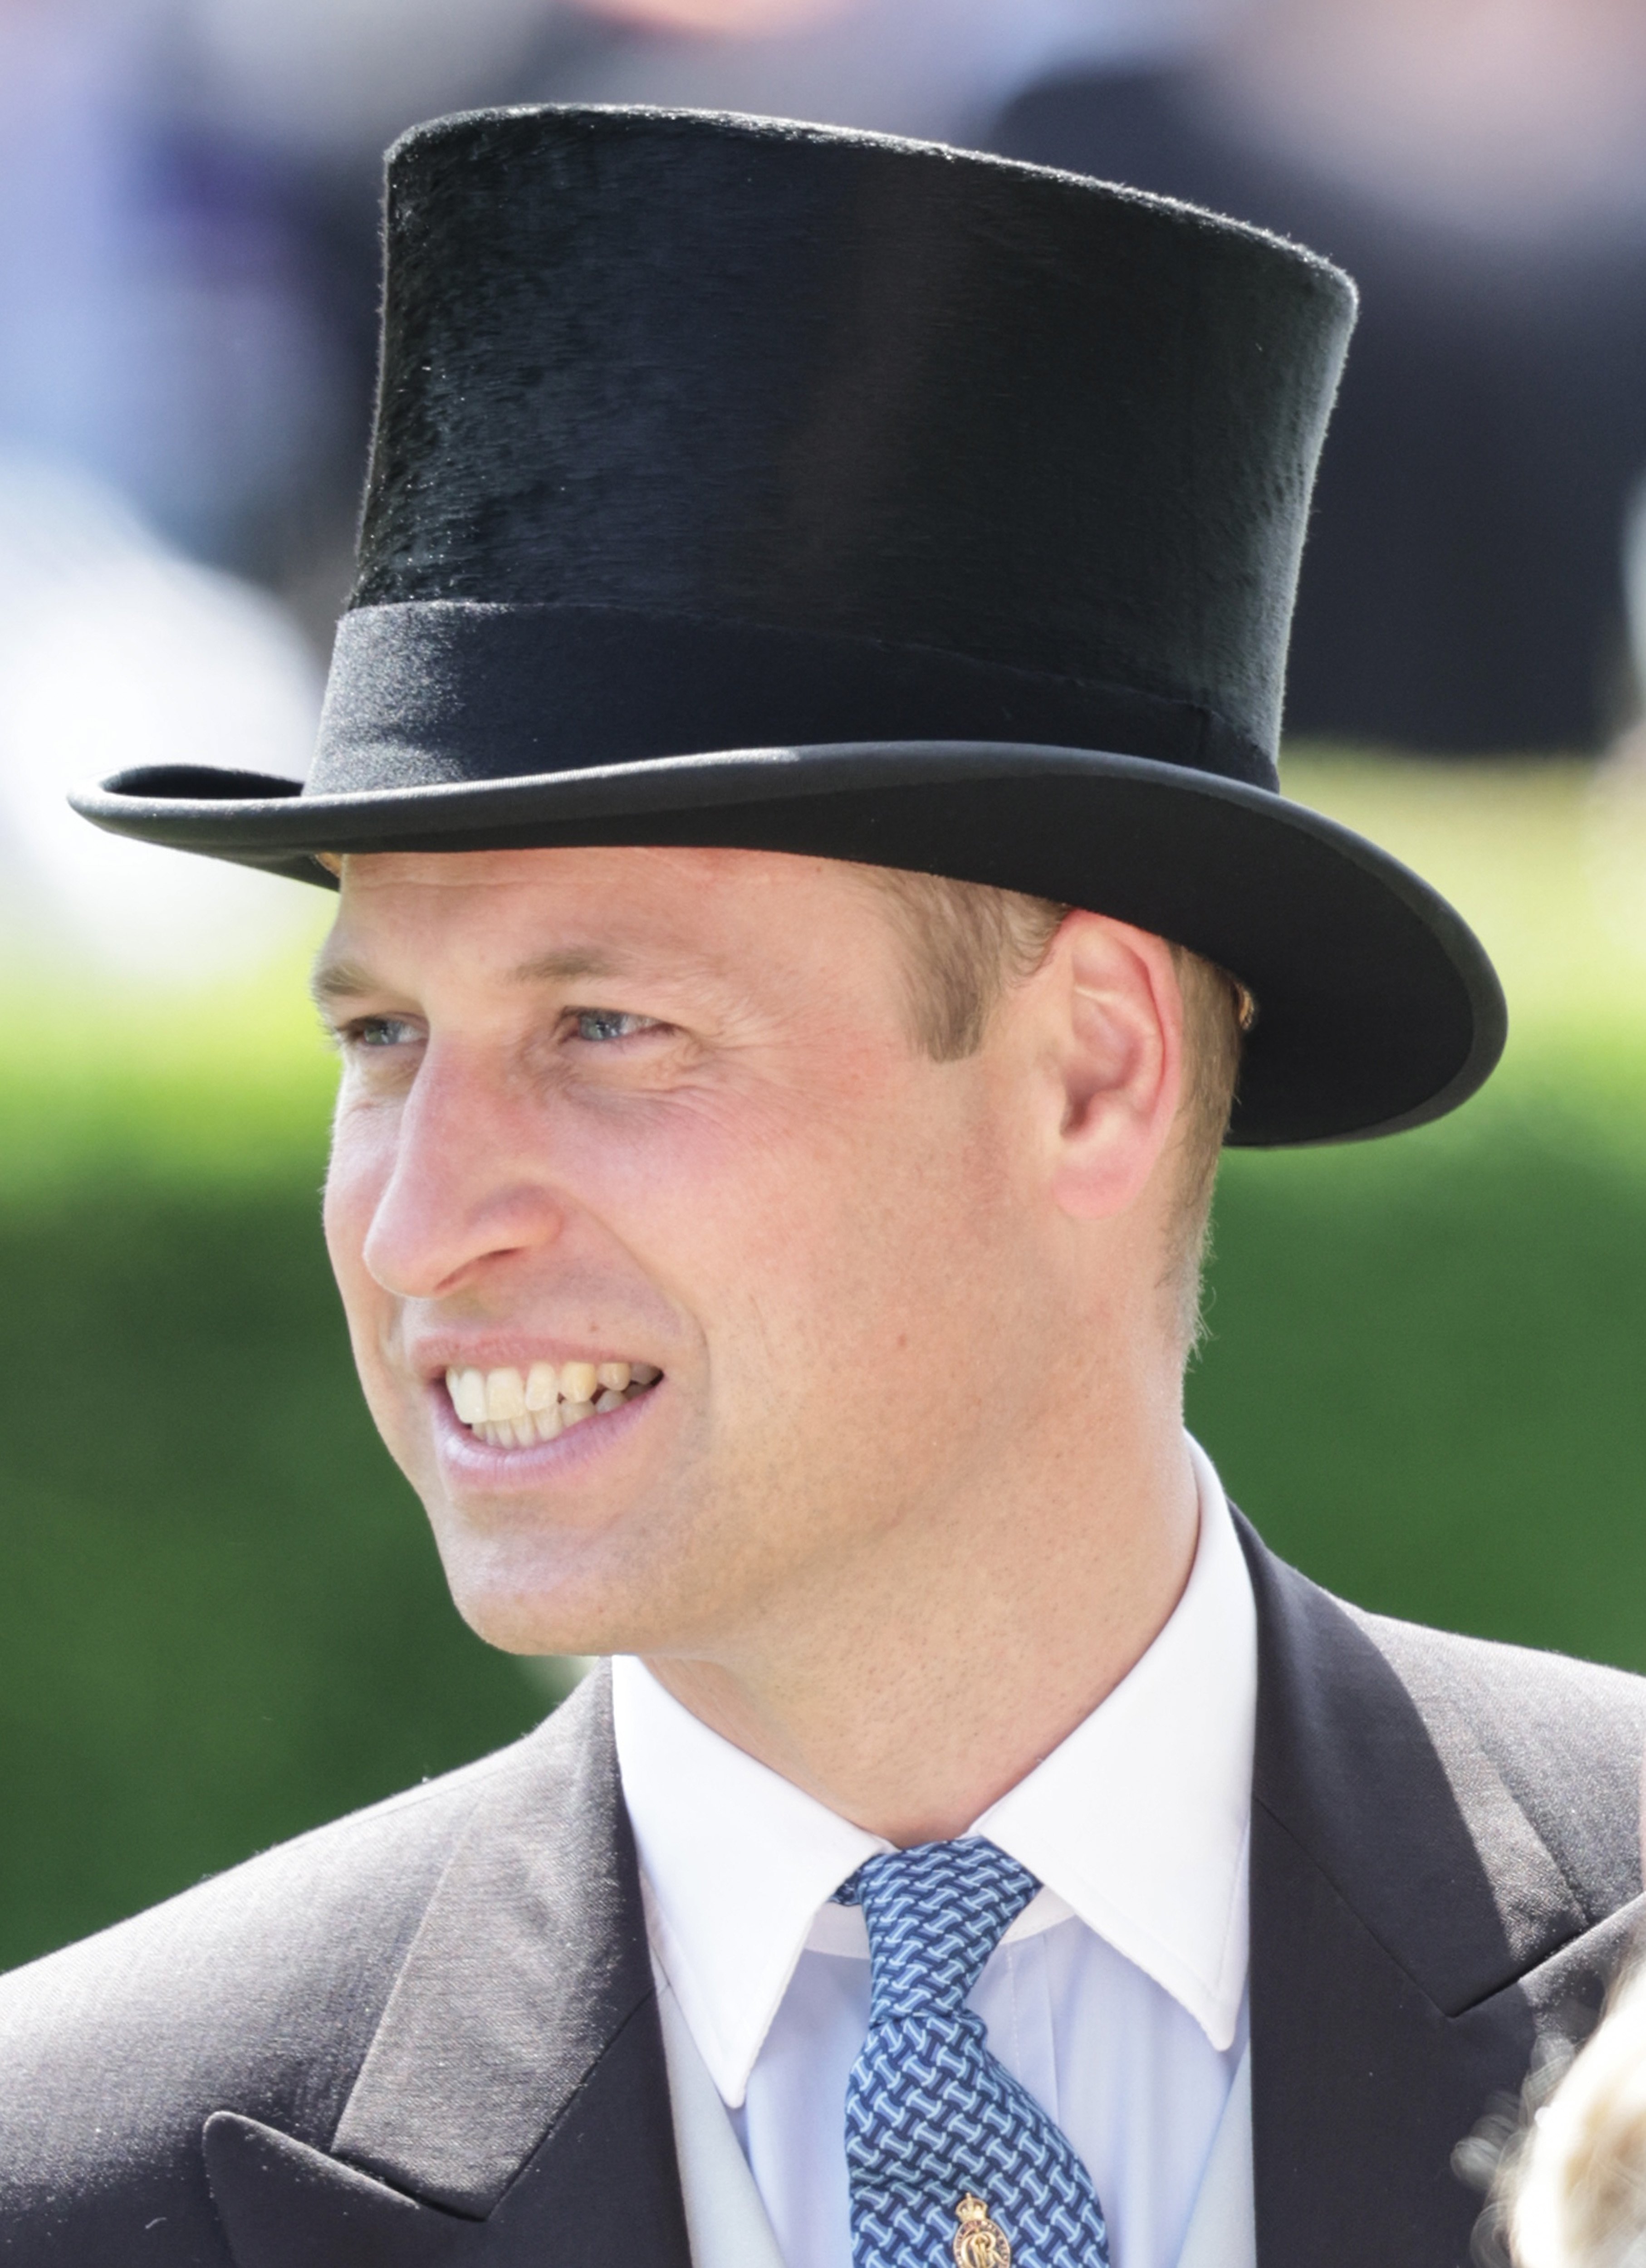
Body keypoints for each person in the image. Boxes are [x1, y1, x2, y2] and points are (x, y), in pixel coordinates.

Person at [2, 104, 1643, 2268]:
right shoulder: (79, 2179)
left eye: (608, 1029)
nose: (418, 1226)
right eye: (379, 1036)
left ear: (1091, 1069)